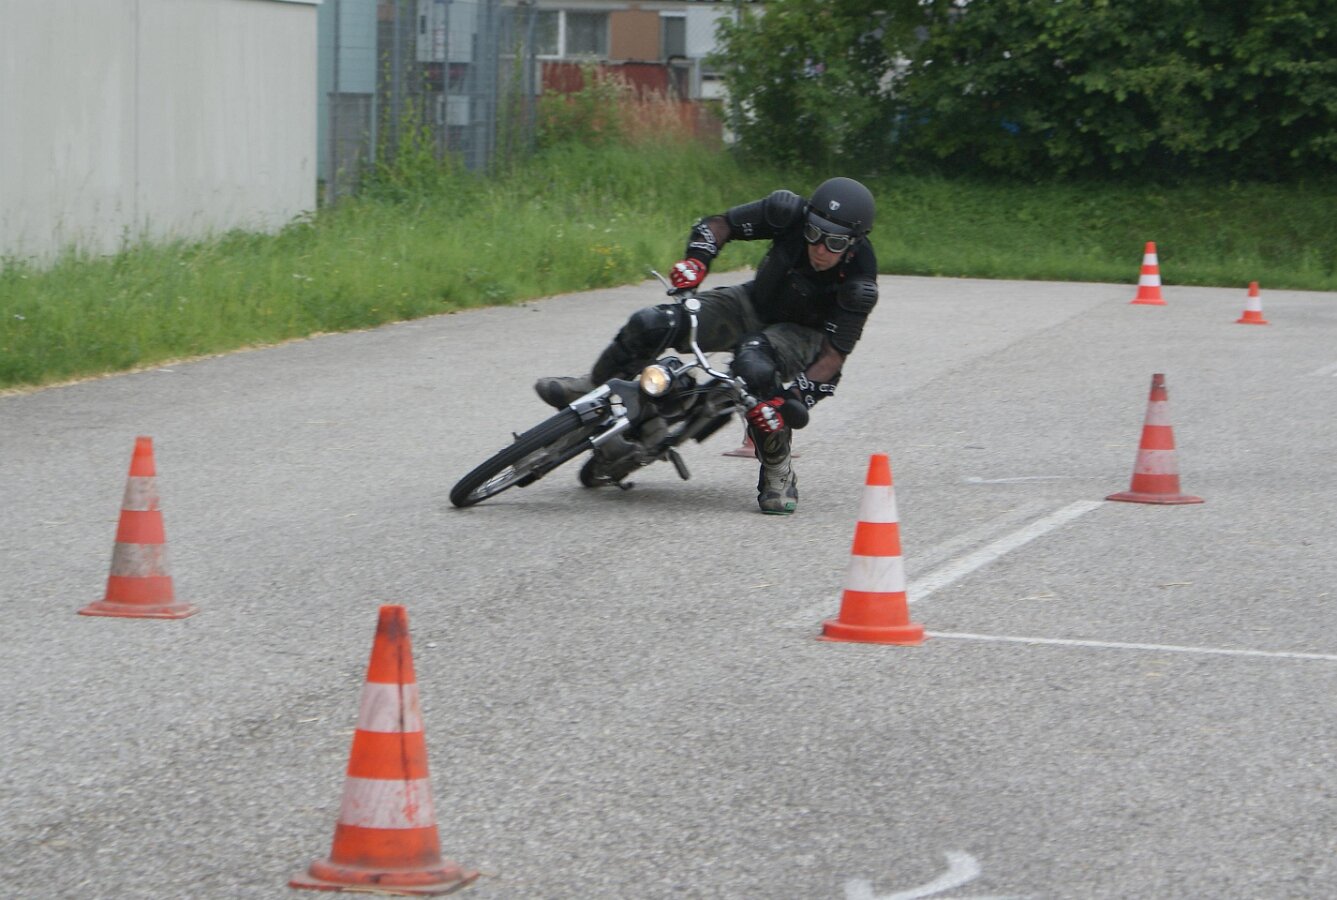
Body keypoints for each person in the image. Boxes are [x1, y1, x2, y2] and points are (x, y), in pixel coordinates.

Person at [535, 177, 879, 515]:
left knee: (755, 371)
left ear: (853, 243)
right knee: (651, 323)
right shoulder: (787, 212)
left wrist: (794, 401)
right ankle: (593, 387)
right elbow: (720, 224)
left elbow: (833, 356)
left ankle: (778, 469)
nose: (820, 248)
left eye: (834, 242)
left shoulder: (860, 281)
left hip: (800, 333)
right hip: (750, 303)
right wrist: (697, 261)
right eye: (814, 234)